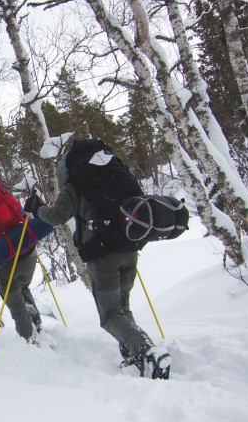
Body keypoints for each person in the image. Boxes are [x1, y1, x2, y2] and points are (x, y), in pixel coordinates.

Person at [24, 149, 172, 378]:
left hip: (103, 257)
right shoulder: (116, 175)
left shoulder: (75, 186)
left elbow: (57, 216)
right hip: (130, 250)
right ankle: (133, 352)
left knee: (110, 315)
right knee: (122, 307)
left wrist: (36, 208)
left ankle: (146, 352)